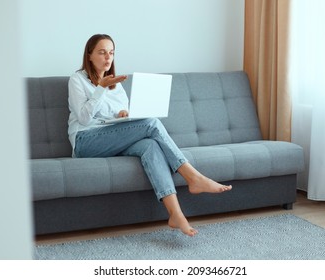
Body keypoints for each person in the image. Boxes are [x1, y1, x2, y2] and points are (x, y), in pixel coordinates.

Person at [67, 34, 232, 236]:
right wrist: (100, 89)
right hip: (86, 141)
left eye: (111, 53)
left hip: (111, 139)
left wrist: (123, 114)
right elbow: (84, 119)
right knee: (151, 123)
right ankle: (193, 176)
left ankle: (176, 214)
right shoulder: (77, 79)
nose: (108, 57)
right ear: (89, 55)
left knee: (150, 146)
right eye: (102, 52)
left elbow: (118, 114)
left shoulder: (115, 84)